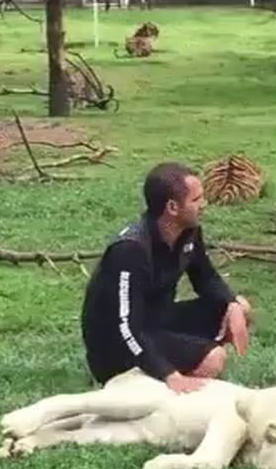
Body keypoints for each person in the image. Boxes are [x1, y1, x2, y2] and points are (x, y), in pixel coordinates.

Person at [80, 162, 252, 393]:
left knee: (240, 307)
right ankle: (155, 387)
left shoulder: (188, 231)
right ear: (172, 207)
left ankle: (181, 366)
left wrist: (231, 304)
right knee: (214, 359)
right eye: (196, 200)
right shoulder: (130, 250)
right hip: (116, 346)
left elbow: (206, 277)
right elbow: (125, 327)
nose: (204, 204)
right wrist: (168, 374)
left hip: (157, 322)